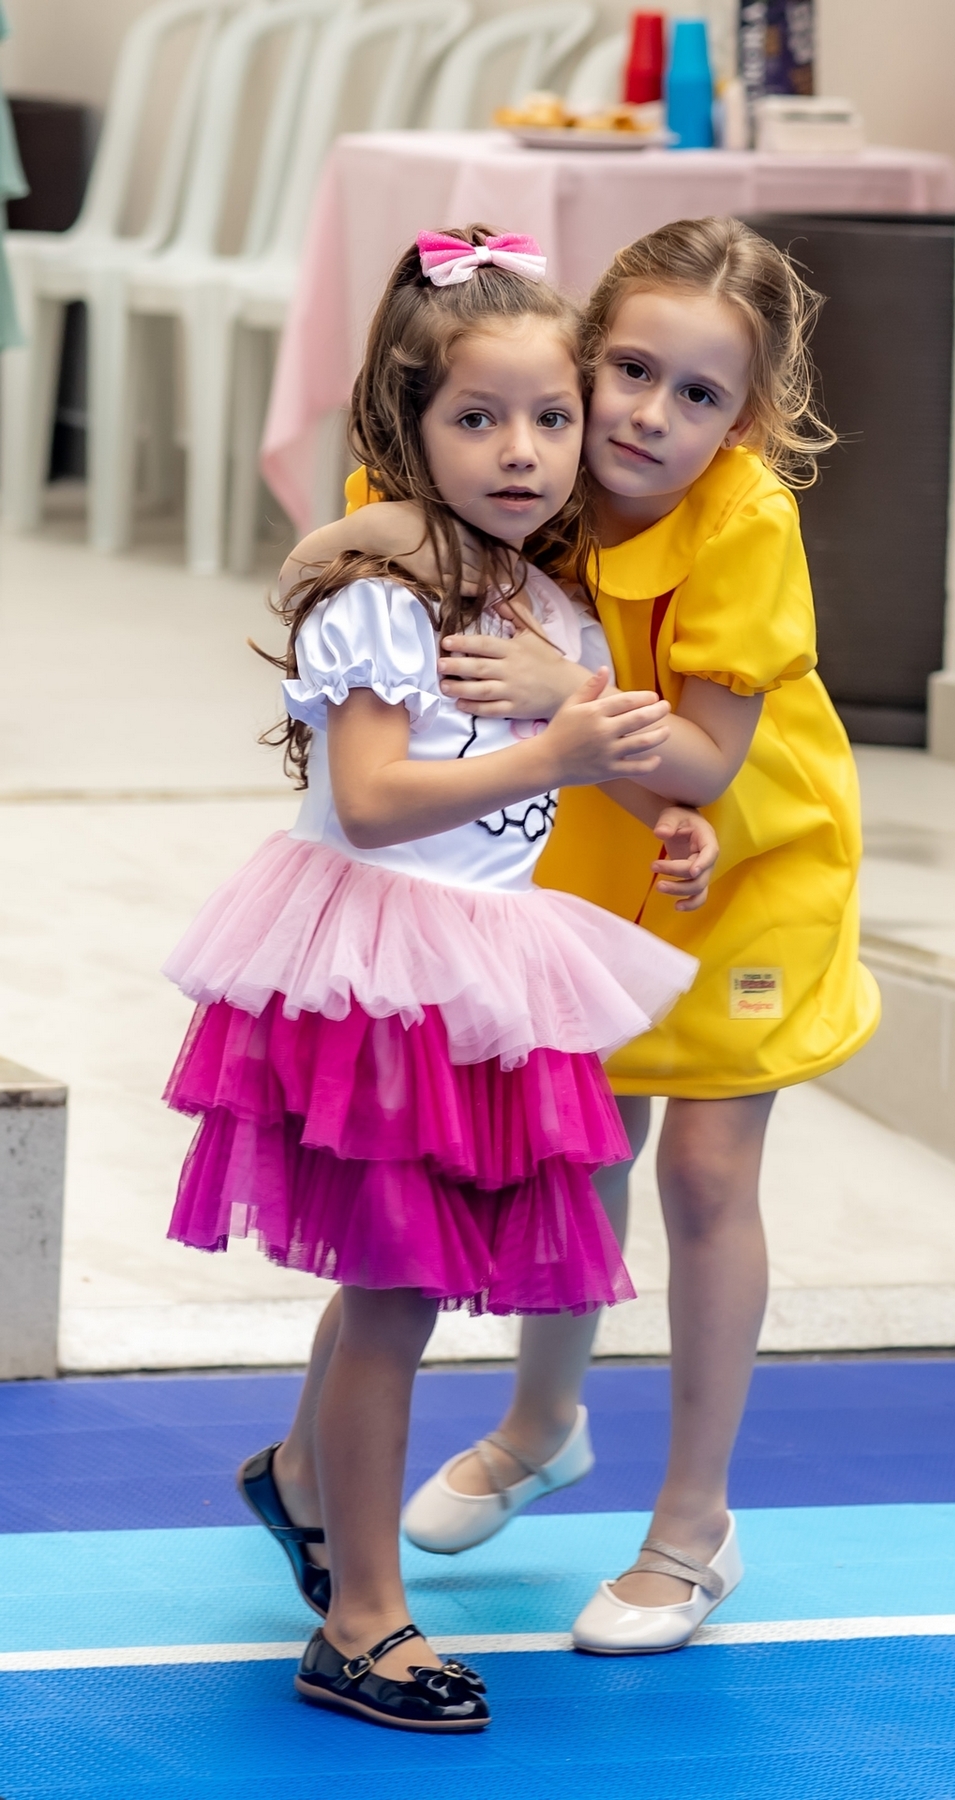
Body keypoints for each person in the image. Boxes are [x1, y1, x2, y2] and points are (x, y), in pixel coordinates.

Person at [271, 216, 881, 1657]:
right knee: (576, 1143)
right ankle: (544, 1424)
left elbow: (708, 764)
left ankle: (692, 1527)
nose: (650, 417)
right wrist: (352, 544)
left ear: (747, 418)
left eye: (701, 394)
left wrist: (557, 689)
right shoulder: (523, 442)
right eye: (632, 372)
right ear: (585, 352)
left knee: (707, 1171)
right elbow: (346, 546)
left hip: (743, 861)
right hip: (576, 852)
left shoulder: (740, 520)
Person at [162, 226, 717, 1731]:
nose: (521, 451)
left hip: (483, 972)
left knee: (390, 1276)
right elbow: (370, 800)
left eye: (549, 417)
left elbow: (584, 762)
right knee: (397, 1292)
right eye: (477, 418)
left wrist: (665, 823)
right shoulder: (380, 599)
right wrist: (557, 753)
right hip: (379, 977)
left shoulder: (550, 611)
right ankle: (360, 1621)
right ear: (407, 431)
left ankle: (303, 1486)